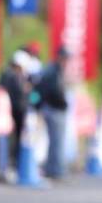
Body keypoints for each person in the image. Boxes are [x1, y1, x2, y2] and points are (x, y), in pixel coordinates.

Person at [37, 47, 70, 179]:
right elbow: (54, 91)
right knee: (56, 141)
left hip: (52, 108)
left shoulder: (53, 70)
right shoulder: (53, 71)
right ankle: (55, 170)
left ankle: (54, 168)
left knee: (55, 141)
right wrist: (63, 103)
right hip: (54, 108)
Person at [0, 51, 31, 169]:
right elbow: (21, 93)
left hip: (10, 111)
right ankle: (12, 164)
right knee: (14, 139)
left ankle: (10, 164)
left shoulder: (7, 74)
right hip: (14, 111)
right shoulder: (13, 76)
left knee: (12, 139)